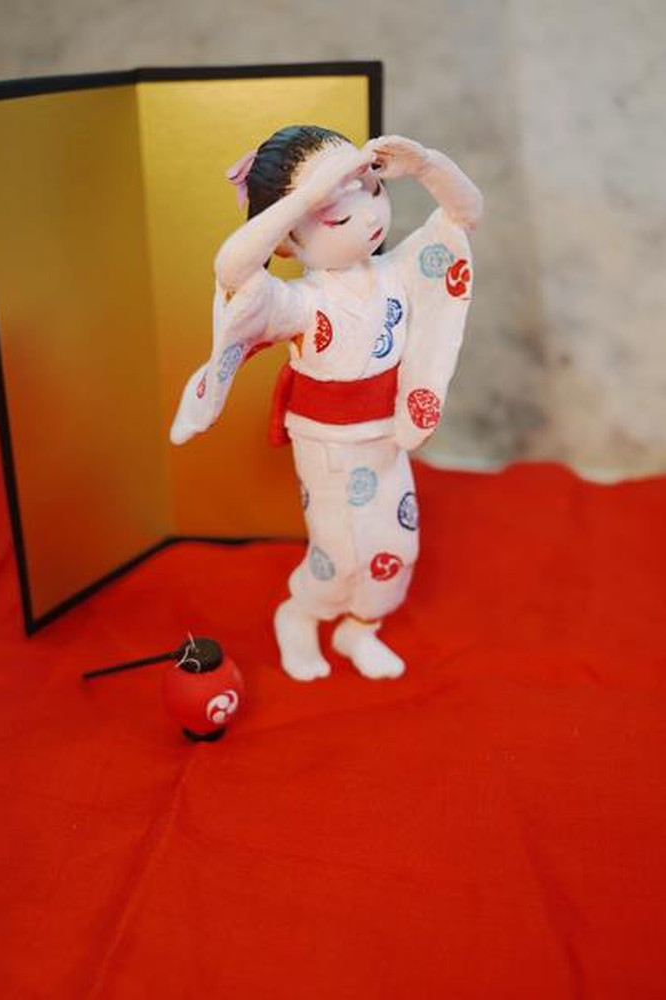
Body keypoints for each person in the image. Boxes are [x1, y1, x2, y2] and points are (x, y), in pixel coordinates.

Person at [170, 125, 483, 682]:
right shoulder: (299, 302)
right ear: (287, 240)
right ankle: (300, 614)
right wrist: (305, 198)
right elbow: (233, 270)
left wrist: (426, 165)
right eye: (337, 216)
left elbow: (465, 214)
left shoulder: (395, 272)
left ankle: (360, 628)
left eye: (374, 191)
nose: (368, 217)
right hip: (327, 444)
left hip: (385, 435)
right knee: (338, 550)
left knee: (397, 545)